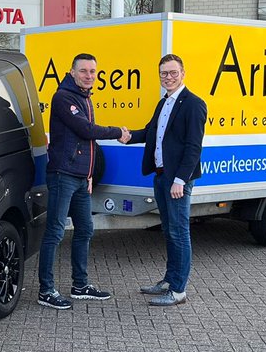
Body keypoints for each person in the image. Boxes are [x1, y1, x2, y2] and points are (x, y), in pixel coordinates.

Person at [37, 54, 127, 310]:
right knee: (55, 232)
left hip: (79, 178)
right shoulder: (64, 97)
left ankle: (80, 285)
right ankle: (46, 290)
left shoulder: (84, 98)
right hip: (63, 175)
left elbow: (86, 143)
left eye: (93, 71)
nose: (89, 75)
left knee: (85, 229)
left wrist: (88, 175)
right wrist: (117, 132)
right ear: (72, 73)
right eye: (84, 71)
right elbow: (85, 130)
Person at [120, 53, 207, 307]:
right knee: (169, 231)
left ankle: (178, 291)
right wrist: (128, 137)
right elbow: (151, 132)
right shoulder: (163, 103)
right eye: (163, 74)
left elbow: (193, 147)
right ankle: (170, 280)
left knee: (179, 233)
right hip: (161, 177)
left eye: (172, 72)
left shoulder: (194, 104)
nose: (168, 77)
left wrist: (180, 179)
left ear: (183, 73)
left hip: (177, 181)